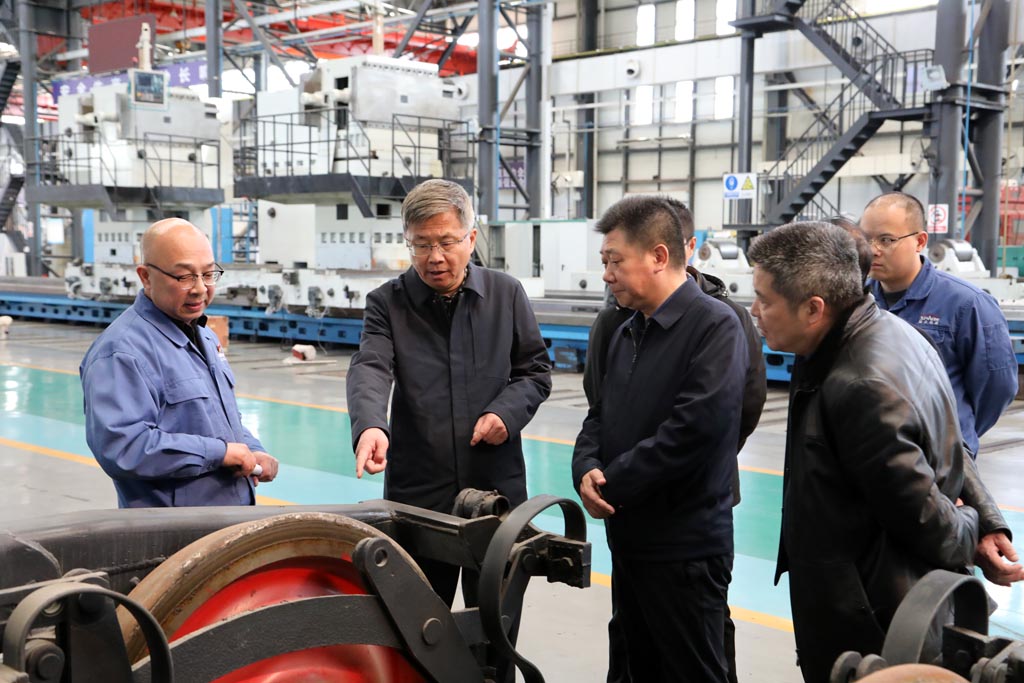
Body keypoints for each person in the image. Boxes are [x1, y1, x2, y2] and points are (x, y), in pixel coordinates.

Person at [748, 222, 987, 683]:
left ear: (814, 308)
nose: (754, 311)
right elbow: (950, 443)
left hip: (871, 622)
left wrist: (972, 522)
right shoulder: (886, 332)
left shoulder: (859, 385)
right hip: (868, 601)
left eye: (764, 300)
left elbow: (930, 524)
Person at [582, 198, 766, 683]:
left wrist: (612, 481)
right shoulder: (627, 329)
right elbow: (599, 411)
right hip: (630, 536)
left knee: (691, 670)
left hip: (684, 546)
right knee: (634, 663)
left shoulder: (715, 325)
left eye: (615, 261)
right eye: (604, 262)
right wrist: (586, 466)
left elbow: (695, 430)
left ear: (659, 257)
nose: (607, 275)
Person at [346, 179, 552, 605]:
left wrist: (506, 413)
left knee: (496, 623)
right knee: (418, 622)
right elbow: (371, 365)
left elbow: (534, 372)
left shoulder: (506, 294)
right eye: (421, 245)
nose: (434, 257)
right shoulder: (387, 303)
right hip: (419, 496)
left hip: (494, 491)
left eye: (446, 242)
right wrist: (370, 426)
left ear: (471, 238)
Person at [80, 218, 279, 508]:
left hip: (227, 519)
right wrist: (218, 453)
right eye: (184, 277)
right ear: (146, 277)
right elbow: (122, 447)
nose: (200, 288)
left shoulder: (203, 335)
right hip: (177, 528)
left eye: (208, 274)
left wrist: (252, 449)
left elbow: (216, 419)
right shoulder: (121, 352)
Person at [862, 192, 1018, 460]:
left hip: (941, 457)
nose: (873, 250)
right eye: (866, 239)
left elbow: (997, 388)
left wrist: (956, 431)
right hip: (874, 452)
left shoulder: (967, 304)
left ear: (920, 241)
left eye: (886, 240)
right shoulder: (858, 299)